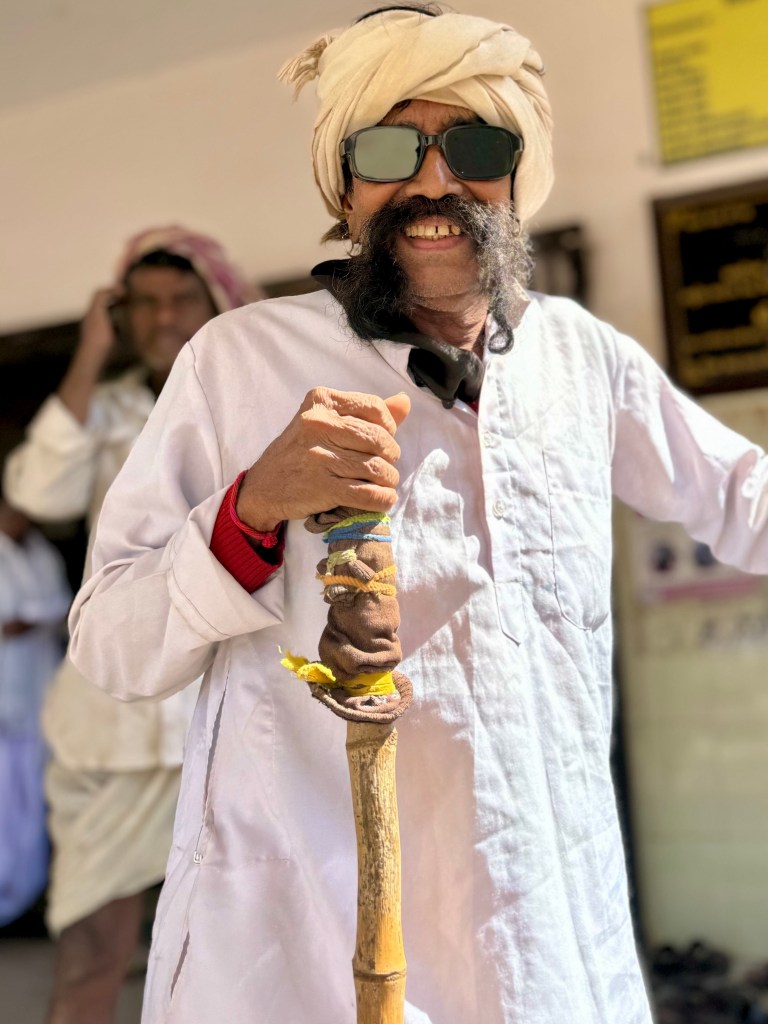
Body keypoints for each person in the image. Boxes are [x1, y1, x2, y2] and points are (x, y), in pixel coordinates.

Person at [65, 7, 768, 1024]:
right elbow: (112, 645)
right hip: (308, 947)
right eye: (391, 150)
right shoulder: (239, 362)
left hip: (544, 940)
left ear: (518, 177)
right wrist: (252, 508)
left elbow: (745, 497)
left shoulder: (580, 359)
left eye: (475, 148)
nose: (434, 182)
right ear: (344, 187)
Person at [3, 226, 247, 1024]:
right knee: (91, 953)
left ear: (216, 302)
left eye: (180, 299)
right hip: (113, 725)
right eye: (142, 303)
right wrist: (89, 352)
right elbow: (36, 494)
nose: (162, 316)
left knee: (243, 956)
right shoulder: (105, 411)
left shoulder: (252, 394)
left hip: (230, 710)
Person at [0, 497, 71, 929]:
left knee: (33, 797)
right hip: (5, 699)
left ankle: (25, 896)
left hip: (36, 693)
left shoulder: (42, 554)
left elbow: (66, 608)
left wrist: (31, 622)